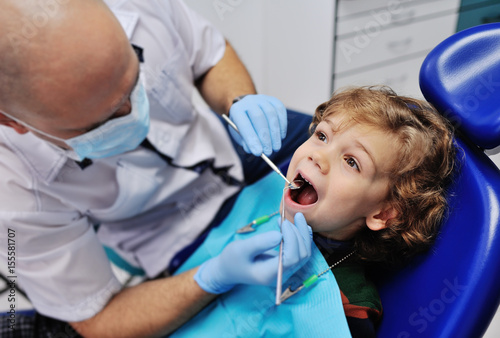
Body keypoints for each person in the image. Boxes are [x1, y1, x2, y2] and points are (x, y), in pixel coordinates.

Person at [0, 0, 313, 337]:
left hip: (234, 143)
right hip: (170, 235)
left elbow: (209, 54)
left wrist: (239, 99)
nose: (132, 112)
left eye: (134, 79)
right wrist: (213, 276)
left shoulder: (139, 7)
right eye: (103, 120)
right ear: (11, 122)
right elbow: (99, 318)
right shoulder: (14, 191)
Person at [169, 86, 458, 337]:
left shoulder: (349, 306)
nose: (317, 156)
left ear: (381, 215)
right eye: (322, 135)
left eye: (352, 162)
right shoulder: (265, 192)